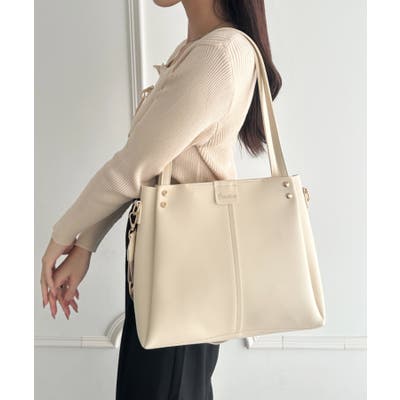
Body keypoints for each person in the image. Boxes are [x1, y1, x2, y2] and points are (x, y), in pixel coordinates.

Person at [40, 0, 283, 398]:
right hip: (173, 262)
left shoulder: (219, 54)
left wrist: (61, 236)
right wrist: (85, 244)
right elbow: (146, 165)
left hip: (184, 268)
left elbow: (133, 167)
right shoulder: (199, 48)